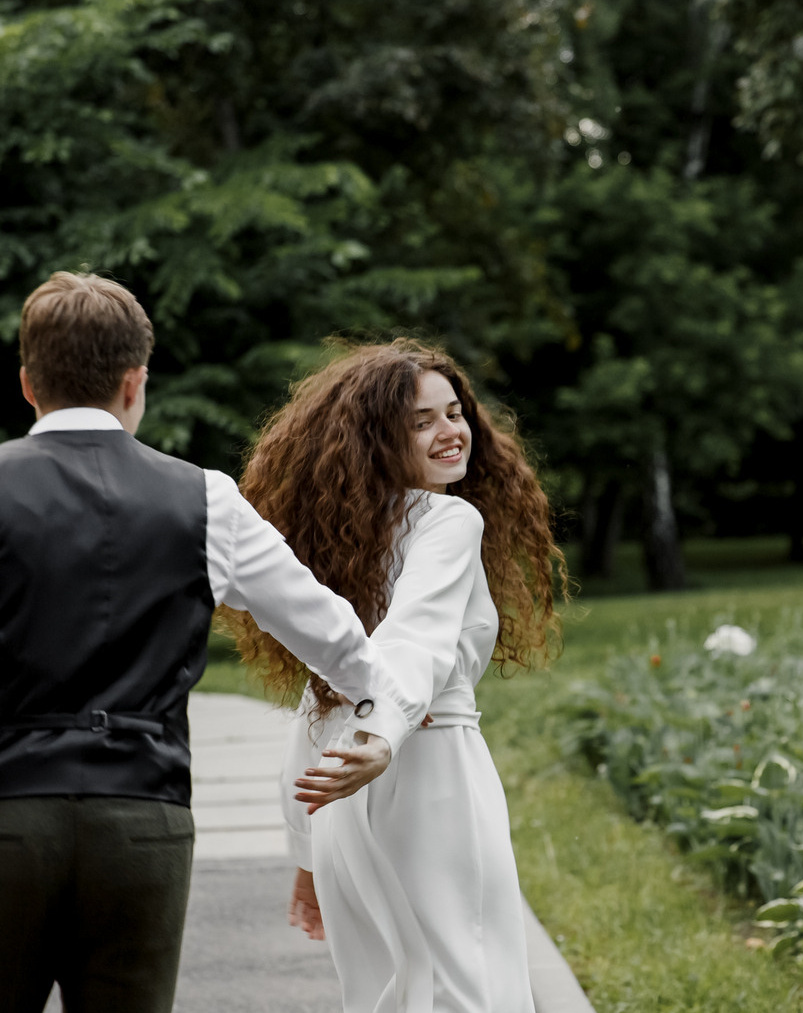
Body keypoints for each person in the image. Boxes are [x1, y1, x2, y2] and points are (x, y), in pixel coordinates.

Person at [0, 272, 416, 1012]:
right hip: (143, 827)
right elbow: (344, 645)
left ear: (28, 384)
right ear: (136, 381)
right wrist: (390, 719)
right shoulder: (209, 500)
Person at [221, 339, 564, 1013]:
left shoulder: (346, 537)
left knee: (386, 992)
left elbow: (322, 698)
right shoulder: (449, 519)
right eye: (422, 421)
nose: (452, 431)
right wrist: (381, 733)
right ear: (379, 439)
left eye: (455, 411)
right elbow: (417, 640)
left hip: (348, 800)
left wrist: (306, 846)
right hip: (428, 777)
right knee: (471, 986)